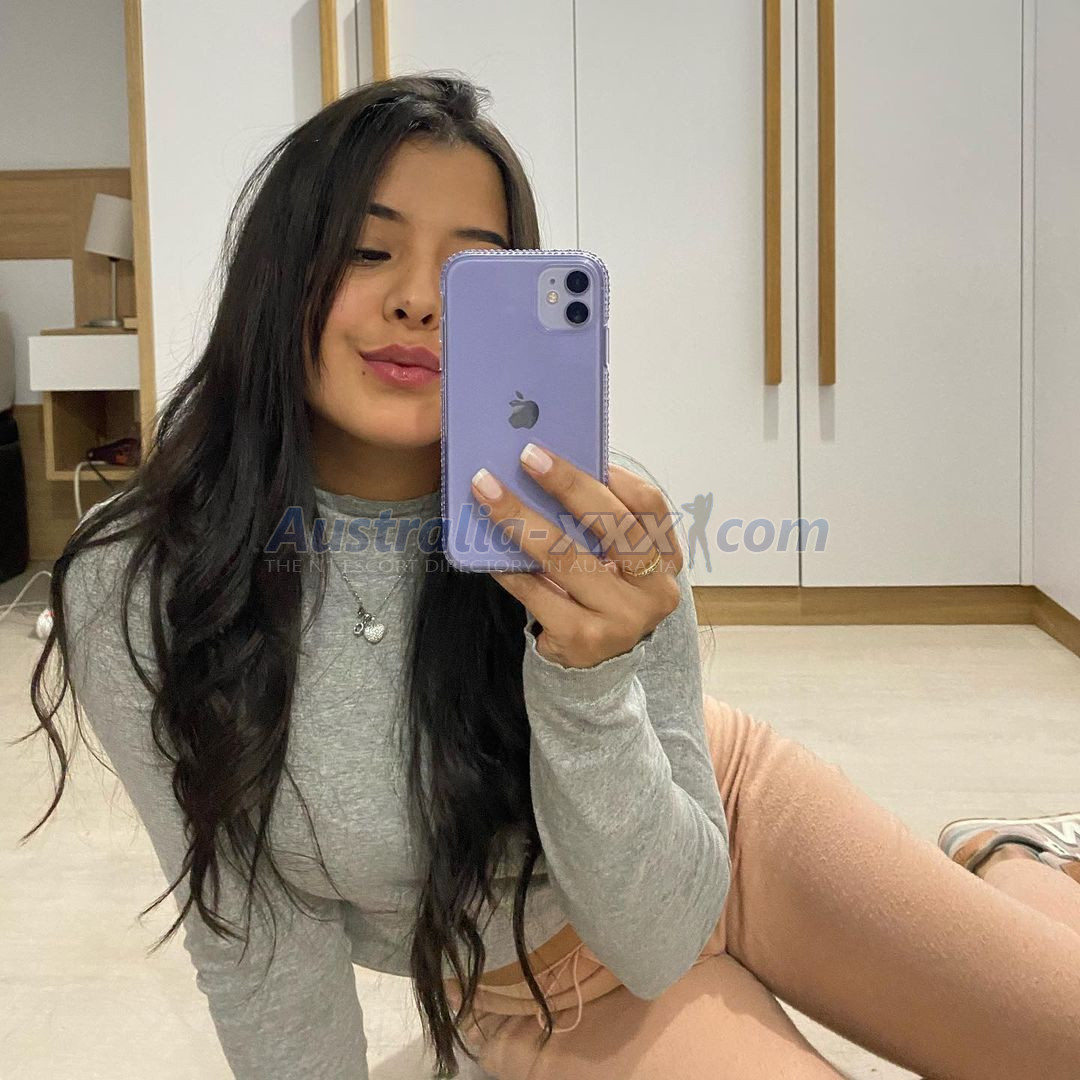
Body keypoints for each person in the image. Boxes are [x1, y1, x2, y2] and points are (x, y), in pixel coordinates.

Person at [23, 74, 1080, 1080]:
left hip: (721, 821)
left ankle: (1007, 860)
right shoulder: (141, 587)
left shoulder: (587, 524)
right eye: (365, 252)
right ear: (276, 273)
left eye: (469, 274)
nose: (418, 302)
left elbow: (665, 914)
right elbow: (254, 936)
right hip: (545, 987)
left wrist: (589, 676)